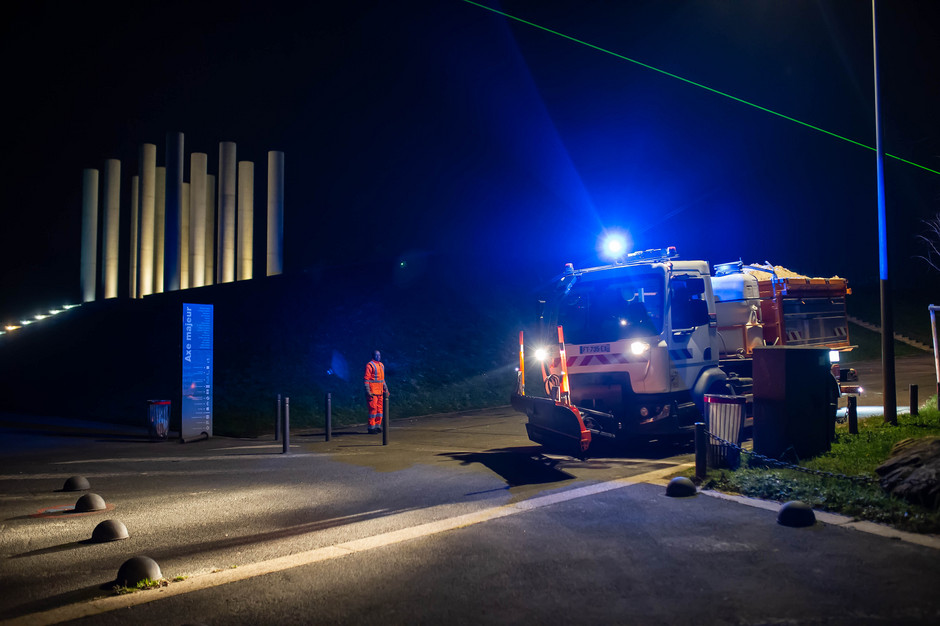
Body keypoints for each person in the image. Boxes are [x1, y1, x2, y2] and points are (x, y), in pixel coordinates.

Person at [364, 350, 389, 434]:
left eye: (379, 355)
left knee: (380, 410)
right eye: (377, 355)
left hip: (380, 392)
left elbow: (382, 380)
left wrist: (386, 389)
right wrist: (368, 391)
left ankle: (378, 426)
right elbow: (366, 380)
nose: (378, 356)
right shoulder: (370, 365)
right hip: (373, 392)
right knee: (373, 410)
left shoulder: (381, 365)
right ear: (373, 355)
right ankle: (371, 428)